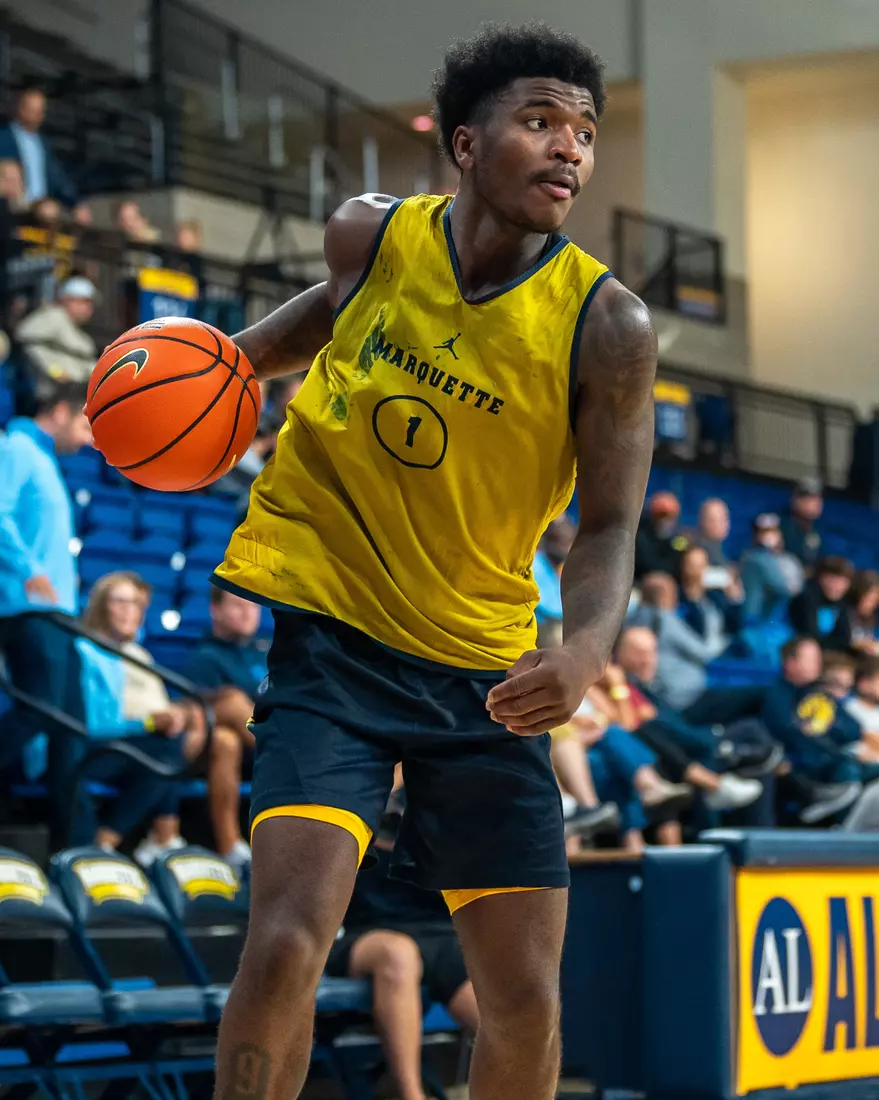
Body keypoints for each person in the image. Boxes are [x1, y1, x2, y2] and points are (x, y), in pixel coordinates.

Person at [210, 25, 657, 1100]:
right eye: (541, 121)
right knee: (281, 942)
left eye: (585, 133)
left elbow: (607, 525)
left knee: (526, 998)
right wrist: (209, 368)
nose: (570, 150)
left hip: (485, 679)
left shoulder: (610, 327)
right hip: (334, 653)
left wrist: (589, 647)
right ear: (466, 142)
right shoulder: (370, 237)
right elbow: (316, 324)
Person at [0, 380, 91, 839]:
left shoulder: (45, 460)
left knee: (72, 728)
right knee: (43, 711)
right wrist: (30, 569)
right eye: (84, 423)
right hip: (27, 608)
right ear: (59, 410)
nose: (90, 437)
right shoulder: (16, 447)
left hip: (59, 613)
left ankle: (72, 845)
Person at [326, 827, 479, 1100]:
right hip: (365, 929)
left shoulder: (443, 795)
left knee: (501, 1020)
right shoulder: (358, 791)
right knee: (398, 955)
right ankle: (411, 1095)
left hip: (443, 934)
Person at [74, 572, 190, 857]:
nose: (130, 611)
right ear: (102, 606)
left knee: (169, 749)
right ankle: (111, 844)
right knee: (164, 756)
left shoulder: (139, 655)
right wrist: (149, 723)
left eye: (136, 604)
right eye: (120, 602)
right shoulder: (85, 651)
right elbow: (90, 724)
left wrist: (171, 717)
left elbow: (159, 707)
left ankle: (136, 842)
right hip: (91, 748)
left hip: (131, 746)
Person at [185, 587, 268, 868]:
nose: (247, 612)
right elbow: (196, 714)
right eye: (237, 605)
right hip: (245, 752)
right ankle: (231, 846)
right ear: (215, 610)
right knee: (225, 731)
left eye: (253, 606)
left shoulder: (269, 650)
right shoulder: (204, 657)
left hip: (269, 741)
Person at [761, 637, 863, 823]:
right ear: (791, 662)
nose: (818, 664)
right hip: (798, 764)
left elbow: (854, 729)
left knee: (854, 766)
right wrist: (818, 733)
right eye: (811, 659)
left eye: (818, 659)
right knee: (847, 768)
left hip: (829, 760)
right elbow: (785, 730)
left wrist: (822, 729)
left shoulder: (817, 693)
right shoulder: (775, 693)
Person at [0, 87, 76, 207]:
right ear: (21, 108)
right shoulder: (3, 138)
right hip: (11, 207)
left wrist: (75, 204)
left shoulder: (44, 143)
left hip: (41, 209)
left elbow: (57, 178)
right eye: (33, 110)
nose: (38, 115)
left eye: (40, 111)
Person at [16, 276, 98, 383]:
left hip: (75, 393)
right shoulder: (53, 317)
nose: (88, 308)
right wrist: (56, 371)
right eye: (84, 302)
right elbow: (28, 342)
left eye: (90, 303)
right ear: (67, 300)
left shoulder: (82, 334)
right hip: (48, 395)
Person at [788, 555, 854, 647]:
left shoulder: (841, 604)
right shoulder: (806, 598)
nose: (838, 586)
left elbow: (844, 639)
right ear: (820, 578)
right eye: (832, 579)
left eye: (843, 581)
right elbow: (810, 635)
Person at [634, 491, 687, 580]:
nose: (664, 520)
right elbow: (644, 564)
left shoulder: (680, 540)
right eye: (660, 515)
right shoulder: (641, 538)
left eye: (669, 516)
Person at [825, 569, 879, 655]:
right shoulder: (841, 612)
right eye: (870, 598)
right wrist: (858, 644)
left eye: (876, 599)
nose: (874, 603)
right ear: (859, 592)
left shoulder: (869, 617)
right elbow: (833, 641)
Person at [779, 477, 823, 568]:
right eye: (806, 498)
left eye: (816, 498)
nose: (812, 503)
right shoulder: (780, 526)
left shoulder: (823, 529)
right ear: (794, 499)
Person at [691, 498, 731, 567]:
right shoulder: (697, 554)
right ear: (701, 521)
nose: (718, 525)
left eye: (724, 519)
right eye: (713, 520)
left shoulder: (718, 549)